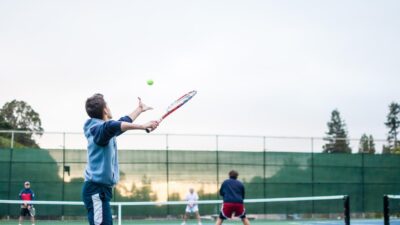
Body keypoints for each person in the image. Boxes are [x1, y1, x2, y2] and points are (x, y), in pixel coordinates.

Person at [82, 94, 158, 225]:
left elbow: (120, 123)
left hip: (101, 191)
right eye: (108, 106)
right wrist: (143, 126)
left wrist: (139, 109)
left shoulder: (103, 130)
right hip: (96, 191)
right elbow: (112, 126)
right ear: (105, 110)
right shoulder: (98, 130)